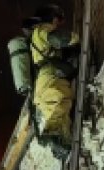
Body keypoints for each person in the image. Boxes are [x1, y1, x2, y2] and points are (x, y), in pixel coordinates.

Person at [27, 4, 80, 158]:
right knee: (60, 101)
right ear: (50, 18)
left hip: (46, 80)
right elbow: (61, 39)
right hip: (49, 77)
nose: (57, 25)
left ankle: (63, 145)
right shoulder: (42, 30)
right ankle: (51, 136)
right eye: (57, 21)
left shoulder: (37, 36)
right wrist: (75, 39)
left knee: (64, 108)